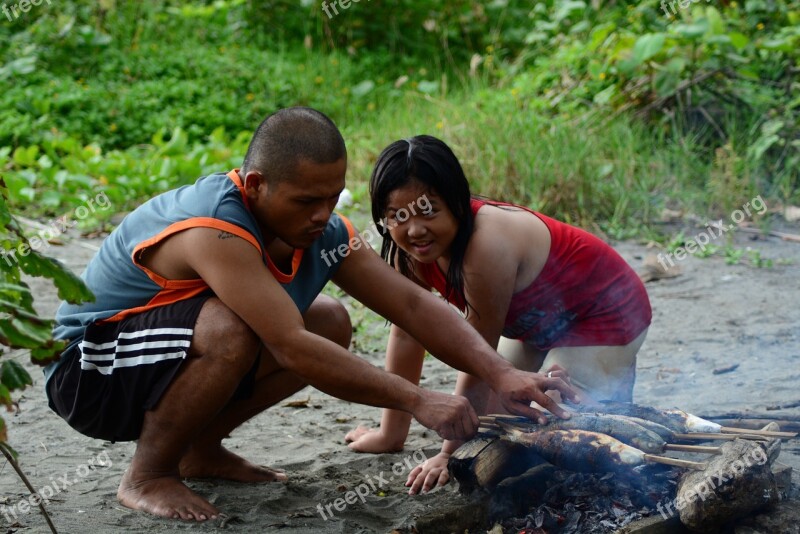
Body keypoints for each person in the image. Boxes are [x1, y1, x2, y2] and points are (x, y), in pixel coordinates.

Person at [44, 109, 578, 522]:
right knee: (236, 329)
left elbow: (413, 305)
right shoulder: (215, 228)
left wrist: (500, 372)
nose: (321, 215)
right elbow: (288, 345)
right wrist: (417, 400)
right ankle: (147, 474)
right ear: (256, 186)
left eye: (331, 196)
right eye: (305, 201)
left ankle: (198, 452)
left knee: (329, 320)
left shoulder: (325, 234)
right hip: (89, 374)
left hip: (153, 363)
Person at [345, 135, 651, 495]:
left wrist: (448, 454)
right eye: (397, 216)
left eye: (429, 211)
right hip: (534, 326)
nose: (414, 230)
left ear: (457, 203)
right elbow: (408, 334)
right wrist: (390, 434)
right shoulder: (409, 251)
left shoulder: (485, 246)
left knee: (558, 423)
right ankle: (591, 376)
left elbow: (479, 356)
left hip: (604, 316)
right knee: (495, 419)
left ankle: (612, 376)